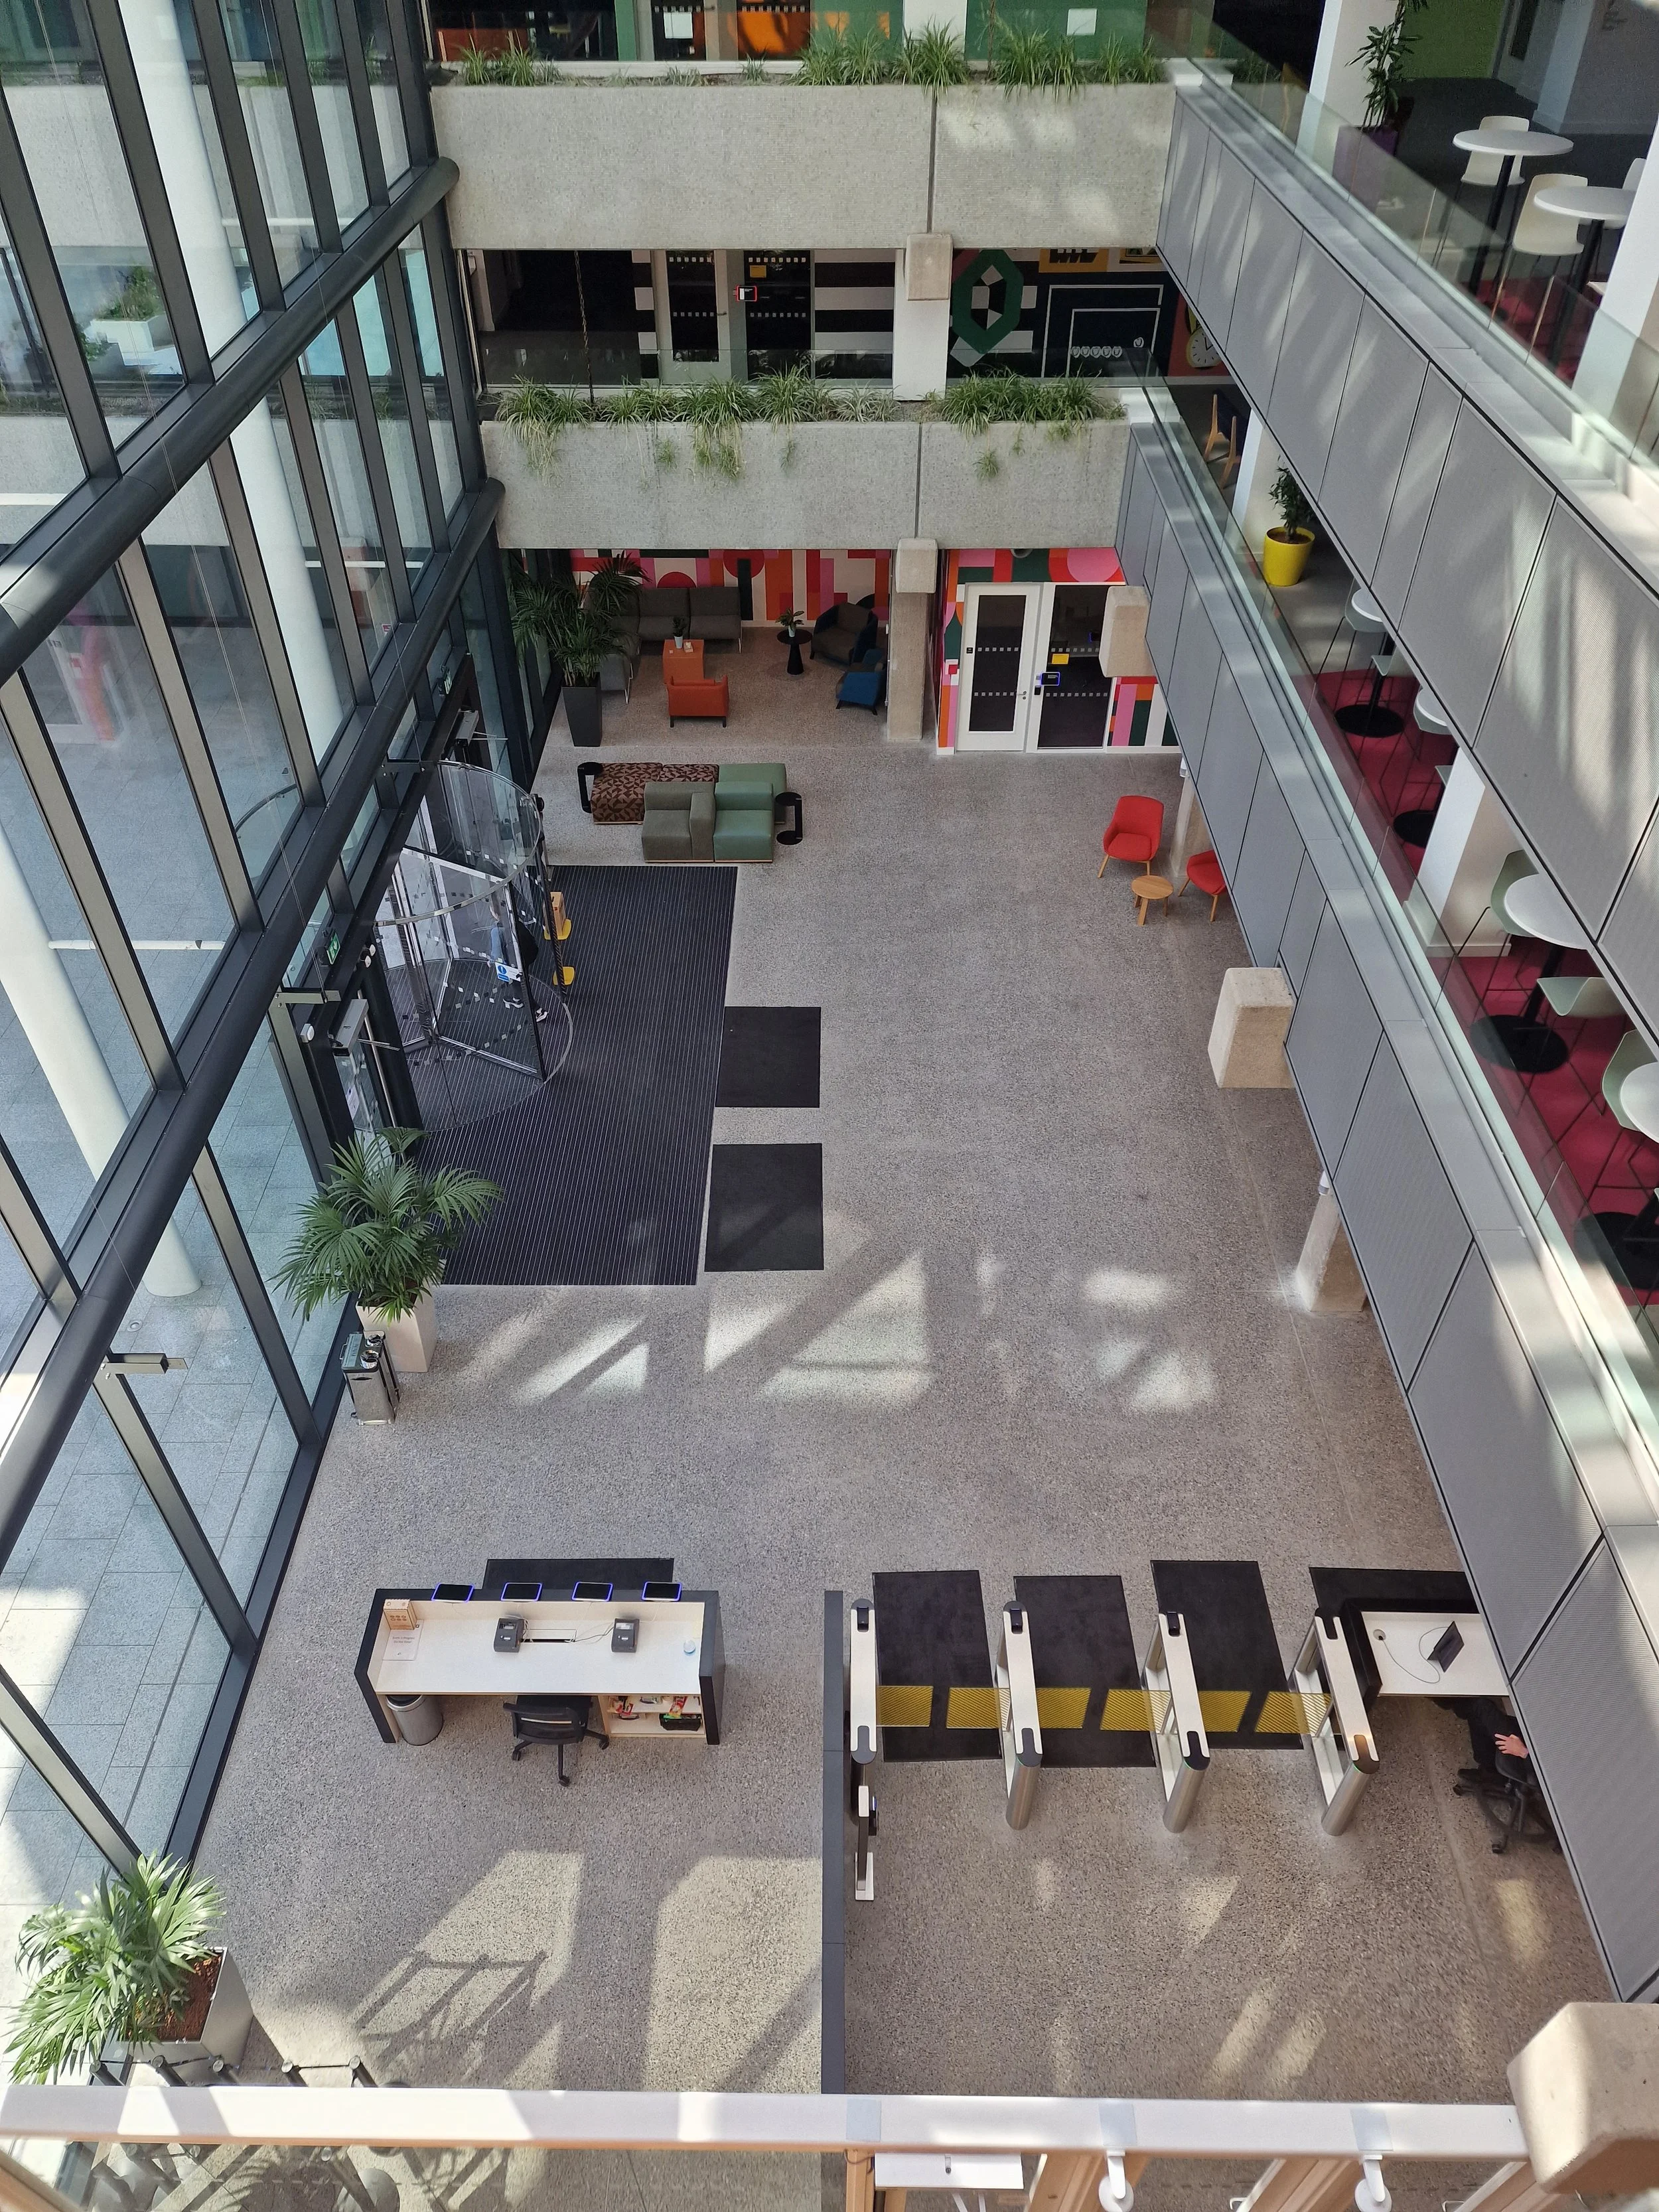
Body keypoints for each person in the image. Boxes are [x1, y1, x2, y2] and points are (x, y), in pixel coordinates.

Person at [1455, 1695, 1529, 1785]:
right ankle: (1488, 1767)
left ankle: (1490, 1770)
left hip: (1527, 1761)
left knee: (1482, 1708)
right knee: (1480, 1713)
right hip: (1537, 1742)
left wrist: (1523, 1752)